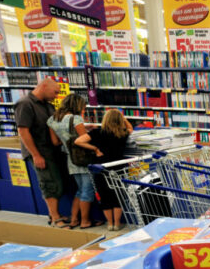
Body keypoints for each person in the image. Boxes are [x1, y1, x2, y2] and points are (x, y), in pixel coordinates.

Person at [15, 78, 70, 228]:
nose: (57, 95)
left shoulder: (48, 105)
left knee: (58, 183)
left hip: (52, 151)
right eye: (55, 92)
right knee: (49, 183)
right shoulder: (25, 104)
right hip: (40, 152)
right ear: (44, 86)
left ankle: (55, 215)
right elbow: (23, 131)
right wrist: (36, 155)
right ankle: (55, 218)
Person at [47, 94, 104, 229]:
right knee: (87, 190)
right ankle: (85, 221)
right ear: (77, 105)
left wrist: (67, 138)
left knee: (80, 190)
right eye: (83, 107)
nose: (83, 109)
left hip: (70, 159)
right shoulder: (76, 118)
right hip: (83, 158)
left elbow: (55, 142)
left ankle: (74, 220)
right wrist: (91, 133)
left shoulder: (52, 119)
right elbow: (84, 139)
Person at [75, 109, 133, 231]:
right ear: (120, 120)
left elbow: (78, 141)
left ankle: (110, 224)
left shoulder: (97, 132)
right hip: (119, 167)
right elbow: (131, 128)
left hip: (101, 168)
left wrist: (95, 149)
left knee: (104, 196)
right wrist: (123, 118)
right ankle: (117, 223)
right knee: (118, 195)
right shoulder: (123, 133)